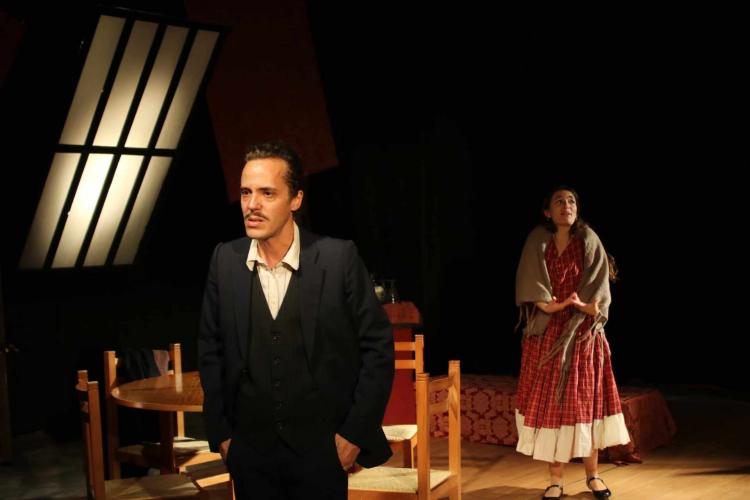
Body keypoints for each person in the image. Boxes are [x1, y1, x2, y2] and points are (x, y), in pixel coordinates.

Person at [198, 141, 394, 499]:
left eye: (267, 193)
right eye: (245, 192)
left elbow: (378, 350)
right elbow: (210, 351)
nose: (252, 205)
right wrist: (222, 435)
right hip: (250, 453)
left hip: (323, 450)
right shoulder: (224, 260)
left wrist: (354, 434)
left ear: (296, 199)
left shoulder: (338, 258)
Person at [514, 186, 630, 500]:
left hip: (582, 333)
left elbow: (600, 290)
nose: (566, 205)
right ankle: (555, 480)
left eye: (571, 201)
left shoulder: (588, 240)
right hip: (549, 333)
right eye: (559, 201)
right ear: (547, 212)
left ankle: (593, 475)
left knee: (586, 404)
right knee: (554, 405)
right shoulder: (538, 240)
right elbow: (531, 284)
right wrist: (549, 305)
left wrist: (587, 307)